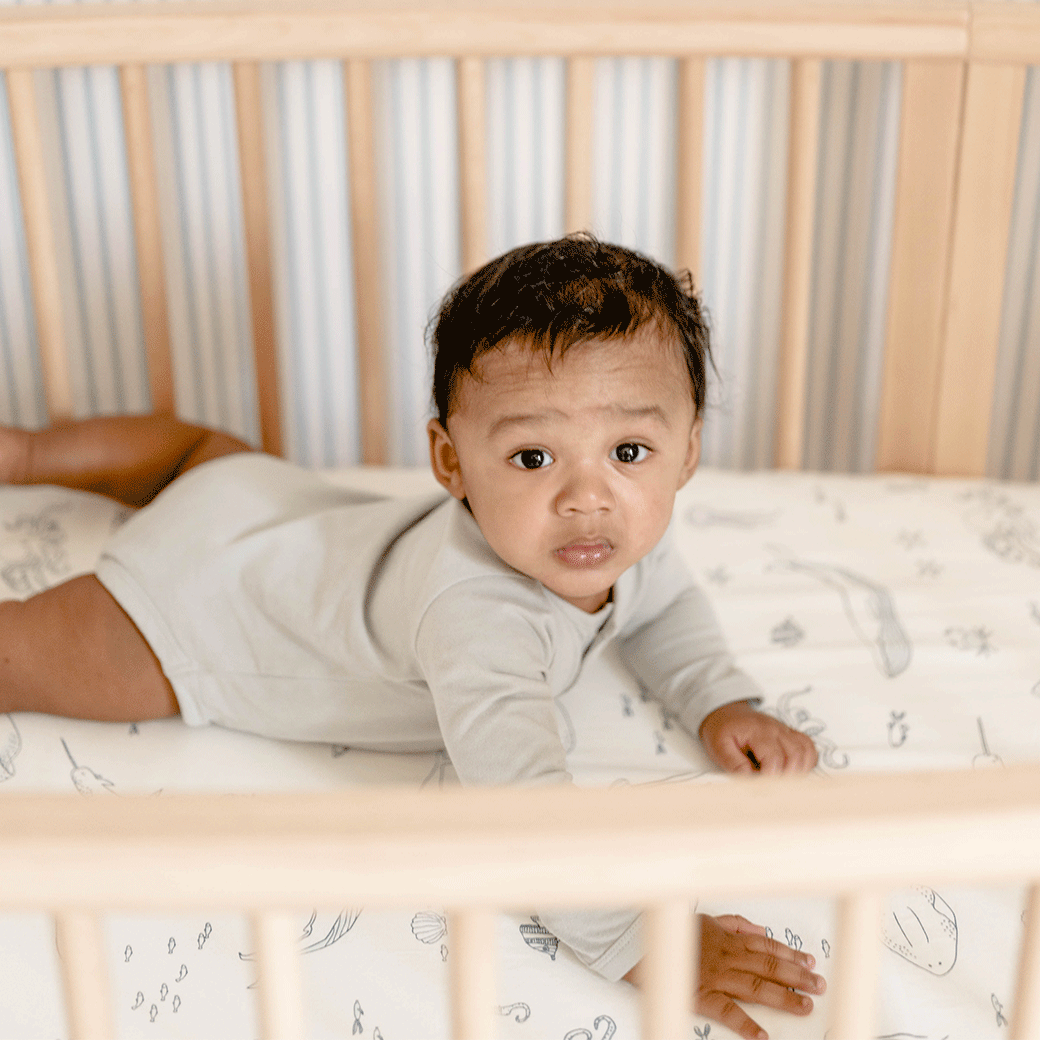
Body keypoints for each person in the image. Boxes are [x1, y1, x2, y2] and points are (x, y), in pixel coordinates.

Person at [0, 235, 822, 1039]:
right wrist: (641, 937)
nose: (586, 497)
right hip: (197, 610)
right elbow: (524, 809)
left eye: (629, 450)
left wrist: (719, 697)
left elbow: (666, 604)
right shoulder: (479, 620)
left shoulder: (617, 539)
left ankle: (34, 450)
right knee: (21, 659)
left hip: (261, 499)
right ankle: (30, 454)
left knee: (199, 456)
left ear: (686, 453)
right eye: (533, 457)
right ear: (450, 460)